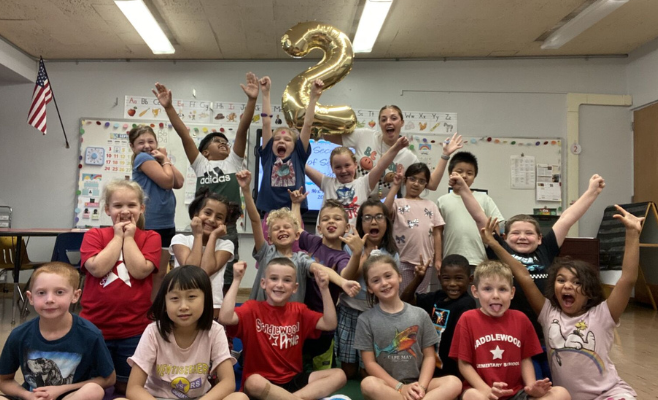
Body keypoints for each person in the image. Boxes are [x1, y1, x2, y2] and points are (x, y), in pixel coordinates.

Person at [452, 172, 607, 377]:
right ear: (505, 237)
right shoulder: (498, 248)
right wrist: (463, 189)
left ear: (540, 238)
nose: (522, 237)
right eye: (516, 233)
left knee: (553, 379)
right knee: (526, 377)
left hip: (545, 331)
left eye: (529, 233)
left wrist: (591, 192)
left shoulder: (547, 249)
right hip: (511, 330)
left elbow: (568, 218)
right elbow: (480, 217)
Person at [480, 205, 641, 400]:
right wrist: (495, 244)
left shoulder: (603, 314)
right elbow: (522, 274)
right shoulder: (548, 313)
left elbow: (627, 280)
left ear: (589, 291)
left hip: (607, 394)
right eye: (561, 280)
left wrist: (632, 233)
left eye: (577, 282)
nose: (568, 286)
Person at [154, 72, 258, 295]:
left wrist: (252, 101)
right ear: (204, 152)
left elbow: (242, 129)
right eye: (217, 142)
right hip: (201, 225)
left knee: (226, 272)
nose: (224, 144)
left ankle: (223, 306)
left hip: (225, 227)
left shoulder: (233, 162)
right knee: (194, 268)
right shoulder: (200, 164)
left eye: (225, 142)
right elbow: (185, 136)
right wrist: (169, 107)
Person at [220, 259, 347, 399]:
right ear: (263, 283)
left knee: (339, 375)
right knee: (253, 381)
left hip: (292, 381)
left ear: (295, 287)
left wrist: (324, 289)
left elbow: (329, 324)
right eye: (274, 278)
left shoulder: (299, 311)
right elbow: (225, 318)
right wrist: (237, 280)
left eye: (287, 280)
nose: (279, 285)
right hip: (261, 384)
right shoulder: (252, 309)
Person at [79, 180, 161, 394]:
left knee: (128, 386)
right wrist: (117, 237)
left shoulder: (151, 237)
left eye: (132, 205)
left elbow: (140, 270)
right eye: (118, 206)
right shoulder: (94, 236)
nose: (125, 211)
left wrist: (130, 238)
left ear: (141, 208)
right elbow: (97, 268)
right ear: (107, 209)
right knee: (97, 385)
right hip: (95, 328)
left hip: (134, 329)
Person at [119, 266, 246, 400]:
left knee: (239, 398)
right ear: (164, 303)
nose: (183, 306)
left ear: (206, 299)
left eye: (191, 296)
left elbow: (228, 382)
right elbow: (133, 388)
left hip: (200, 398)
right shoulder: (153, 331)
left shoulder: (214, 331)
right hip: (156, 397)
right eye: (174, 298)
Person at [449, 261, 569, 400]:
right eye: (487, 289)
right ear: (475, 291)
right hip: (481, 391)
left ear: (512, 293)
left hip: (516, 393)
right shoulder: (467, 319)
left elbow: (525, 359)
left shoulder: (521, 319)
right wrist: (486, 390)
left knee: (561, 393)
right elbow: (464, 365)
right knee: (471, 395)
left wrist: (531, 387)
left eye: (502, 289)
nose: (495, 295)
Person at [236, 170, 360, 303]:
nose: (282, 230)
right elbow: (255, 221)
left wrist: (343, 282)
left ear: (296, 235)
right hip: (261, 316)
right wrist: (246, 190)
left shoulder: (301, 259)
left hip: (291, 320)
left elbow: (321, 268)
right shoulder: (266, 252)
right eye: (277, 228)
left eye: (286, 227)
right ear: (269, 238)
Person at [0, 262, 115, 400]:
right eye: (41, 293)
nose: (49, 299)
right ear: (30, 298)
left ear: (75, 296)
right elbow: (4, 380)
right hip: (32, 397)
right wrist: (28, 395)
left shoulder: (90, 334)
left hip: (72, 396)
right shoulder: (19, 335)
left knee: (93, 390)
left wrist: (62, 389)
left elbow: (109, 379)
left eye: (59, 292)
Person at [354, 254, 462, 400]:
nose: (384, 283)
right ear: (370, 288)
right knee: (368, 384)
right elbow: (370, 363)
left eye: (388, 276)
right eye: (376, 280)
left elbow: (429, 356)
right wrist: (400, 387)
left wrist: (422, 388)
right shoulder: (365, 320)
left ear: (399, 277)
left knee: (454, 383)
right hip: (389, 387)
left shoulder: (420, 314)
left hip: (419, 384)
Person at [323, 106, 461, 199]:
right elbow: (327, 136)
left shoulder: (408, 157)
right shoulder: (364, 136)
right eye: (383, 119)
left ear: (402, 123)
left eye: (393, 118)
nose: (388, 122)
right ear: (379, 124)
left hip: (379, 207)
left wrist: (445, 154)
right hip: (353, 199)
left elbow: (431, 184)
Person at [335, 199, 399, 380]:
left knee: (366, 372)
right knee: (348, 371)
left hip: (376, 315)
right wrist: (362, 254)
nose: (373, 222)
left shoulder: (392, 253)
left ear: (387, 222)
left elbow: (393, 287)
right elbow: (346, 279)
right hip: (350, 310)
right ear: (360, 223)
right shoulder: (349, 247)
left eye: (379, 217)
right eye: (367, 218)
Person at [129, 124, 184, 298]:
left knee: (160, 273)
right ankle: (141, 309)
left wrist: (164, 159)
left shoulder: (157, 160)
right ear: (133, 147)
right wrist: (165, 160)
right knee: (146, 272)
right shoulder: (142, 158)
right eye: (141, 142)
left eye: (151, 141)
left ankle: (153, 312)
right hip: (149, 224)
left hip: (166, 223)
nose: (146, 146)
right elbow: (167, 182)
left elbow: (179, 182)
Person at [305, 135, 409, 228]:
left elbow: (381, 166)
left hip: (353, 244)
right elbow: (303, 165)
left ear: (355, 165)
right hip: (326, 242)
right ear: (332, 168)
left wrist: (396, 147)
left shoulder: (363, 184)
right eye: (338, 167)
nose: (343, 170)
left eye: (347, 165)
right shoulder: (327, 183)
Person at [400, 254, 476, 379]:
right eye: (446, 278)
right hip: (430, 368)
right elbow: (405, 302)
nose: (452, 284)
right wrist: (418, 279)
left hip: (451, 373)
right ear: (439, 278)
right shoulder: (437, 297)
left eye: (459, 278)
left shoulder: (466, 304)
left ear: (470, 279)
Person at [169, 188, 241, 319]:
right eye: (207, 213)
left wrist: (213, 237)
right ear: (196, 214)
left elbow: (204, 271)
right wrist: (198, 236)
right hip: (182, 306)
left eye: (219, 217)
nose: (212, 220)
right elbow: (192, 270)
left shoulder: (226, 245)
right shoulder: (180, 240)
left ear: (224, 224)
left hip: (212, 307)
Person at [384, 162, 446, 294]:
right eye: (412, 179)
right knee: (402, 295)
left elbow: (437, 233)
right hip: (402, 259)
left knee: (421, 297)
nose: (416, 184)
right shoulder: (397, 203)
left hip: (425, 261)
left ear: (425, 184)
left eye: (421, 181)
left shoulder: (431, 205)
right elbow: (384, 211)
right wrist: (395, 185)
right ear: (405, 180)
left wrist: (438, 259)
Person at [438, 151, 505, 268]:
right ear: (450, 174)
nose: (464, 176)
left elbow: (495, 228)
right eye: (459, 172)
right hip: (451, 260)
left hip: (480, 260)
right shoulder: (442, 201)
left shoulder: (484, 199)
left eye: (469, 173)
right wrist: (438, 259)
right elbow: (437, 233)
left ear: (474, 177)